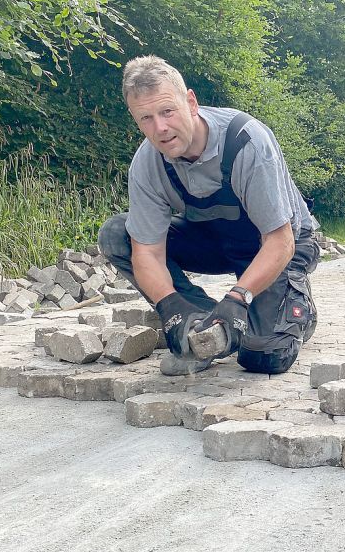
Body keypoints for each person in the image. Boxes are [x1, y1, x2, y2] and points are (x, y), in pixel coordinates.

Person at [98, 55, 319, 376]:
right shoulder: (147, 163)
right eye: (145, 118)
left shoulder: (245, 142)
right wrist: (170, 306)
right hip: (216, 240)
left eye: (167, 111)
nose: (159, 128)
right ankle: (202, 323)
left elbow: (280, 240)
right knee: (118, 235)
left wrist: (238, 298)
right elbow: (146, 252)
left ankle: (297, 308)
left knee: (265, 355)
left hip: (281, 244)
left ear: (190, 102)